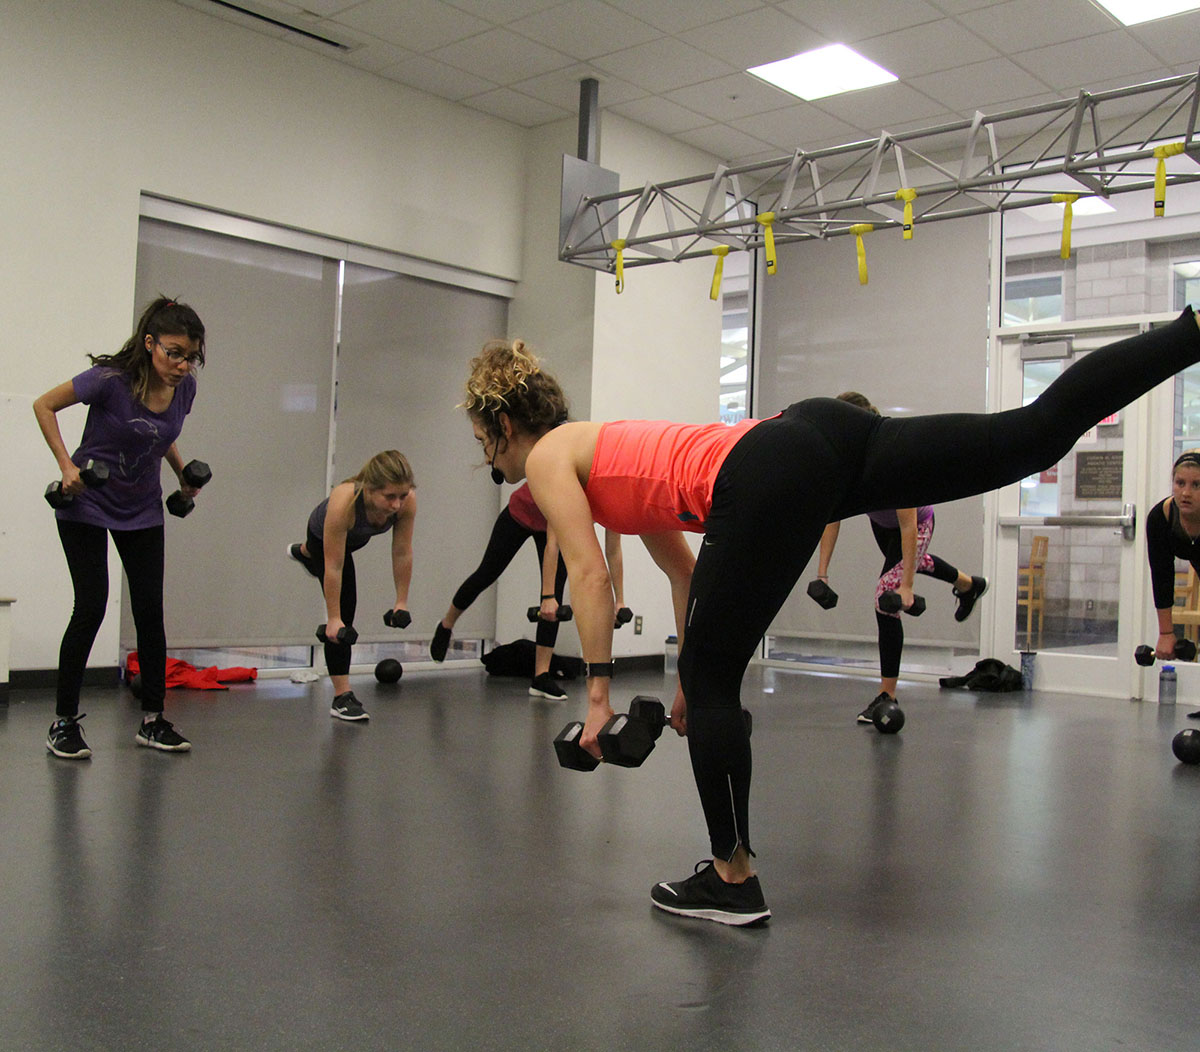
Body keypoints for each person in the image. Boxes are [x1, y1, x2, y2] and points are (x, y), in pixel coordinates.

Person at [460, 308, 1200, 927]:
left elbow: (587, 575)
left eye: (483, 442)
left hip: (767, 466)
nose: (491, 460)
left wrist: (596, 697)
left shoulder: (552, 457)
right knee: (1029, 432)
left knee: (716, 682)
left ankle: (732, 878)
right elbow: (683, 570)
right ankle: (1188, 333)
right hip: (822, 433)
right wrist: (690, 682)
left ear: (500, 422)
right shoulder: (604, 447)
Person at [33, 296, 208, 758]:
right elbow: (44, 405)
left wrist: (181, 472)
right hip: (87, 503)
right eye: (173, 353)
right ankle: (64, 722)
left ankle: (153, 720)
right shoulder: (111, 381)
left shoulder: (184, 390)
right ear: (150, 344)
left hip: (142, 507)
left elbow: (159, 435)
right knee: (90, 608)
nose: (182, 365)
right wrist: (66, 465)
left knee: (150, 612)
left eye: (190, 356)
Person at [816, 391, 987, 724]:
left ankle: (887, 694)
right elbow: (831, 517)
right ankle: (969, 585)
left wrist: (906, 586)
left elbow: (909, 527)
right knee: (910, 565)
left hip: (916, 523)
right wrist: (822, 573)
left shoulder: (890, 458)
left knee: (886, 595)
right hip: (883, 525)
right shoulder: (843, 462)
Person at [288, 451, 416, 722]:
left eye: (402, 495)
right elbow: (334, 566)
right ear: (369, 489)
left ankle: (305, 555)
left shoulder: (406, 503)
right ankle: (341, 697)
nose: (397, 504)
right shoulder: (344, 501)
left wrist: (401, 601)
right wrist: (334, 619)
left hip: (357, 539)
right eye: (390, 496)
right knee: (345, 608)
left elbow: (402, 552)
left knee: (323, 565)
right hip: (321, 536)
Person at [430, 481, 571, 699]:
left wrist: (549, 595)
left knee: (554, 593)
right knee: (487, 573)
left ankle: (541, 677)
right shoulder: (563, 470)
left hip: (551, 523)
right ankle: (446, 624)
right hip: (521, 511)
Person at [1146, 449, 1200, 717]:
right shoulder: (1160, 519)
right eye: (1180, 483)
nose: (1186, 493)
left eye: (1196, 485)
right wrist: (1166, 633)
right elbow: (1161, 574)